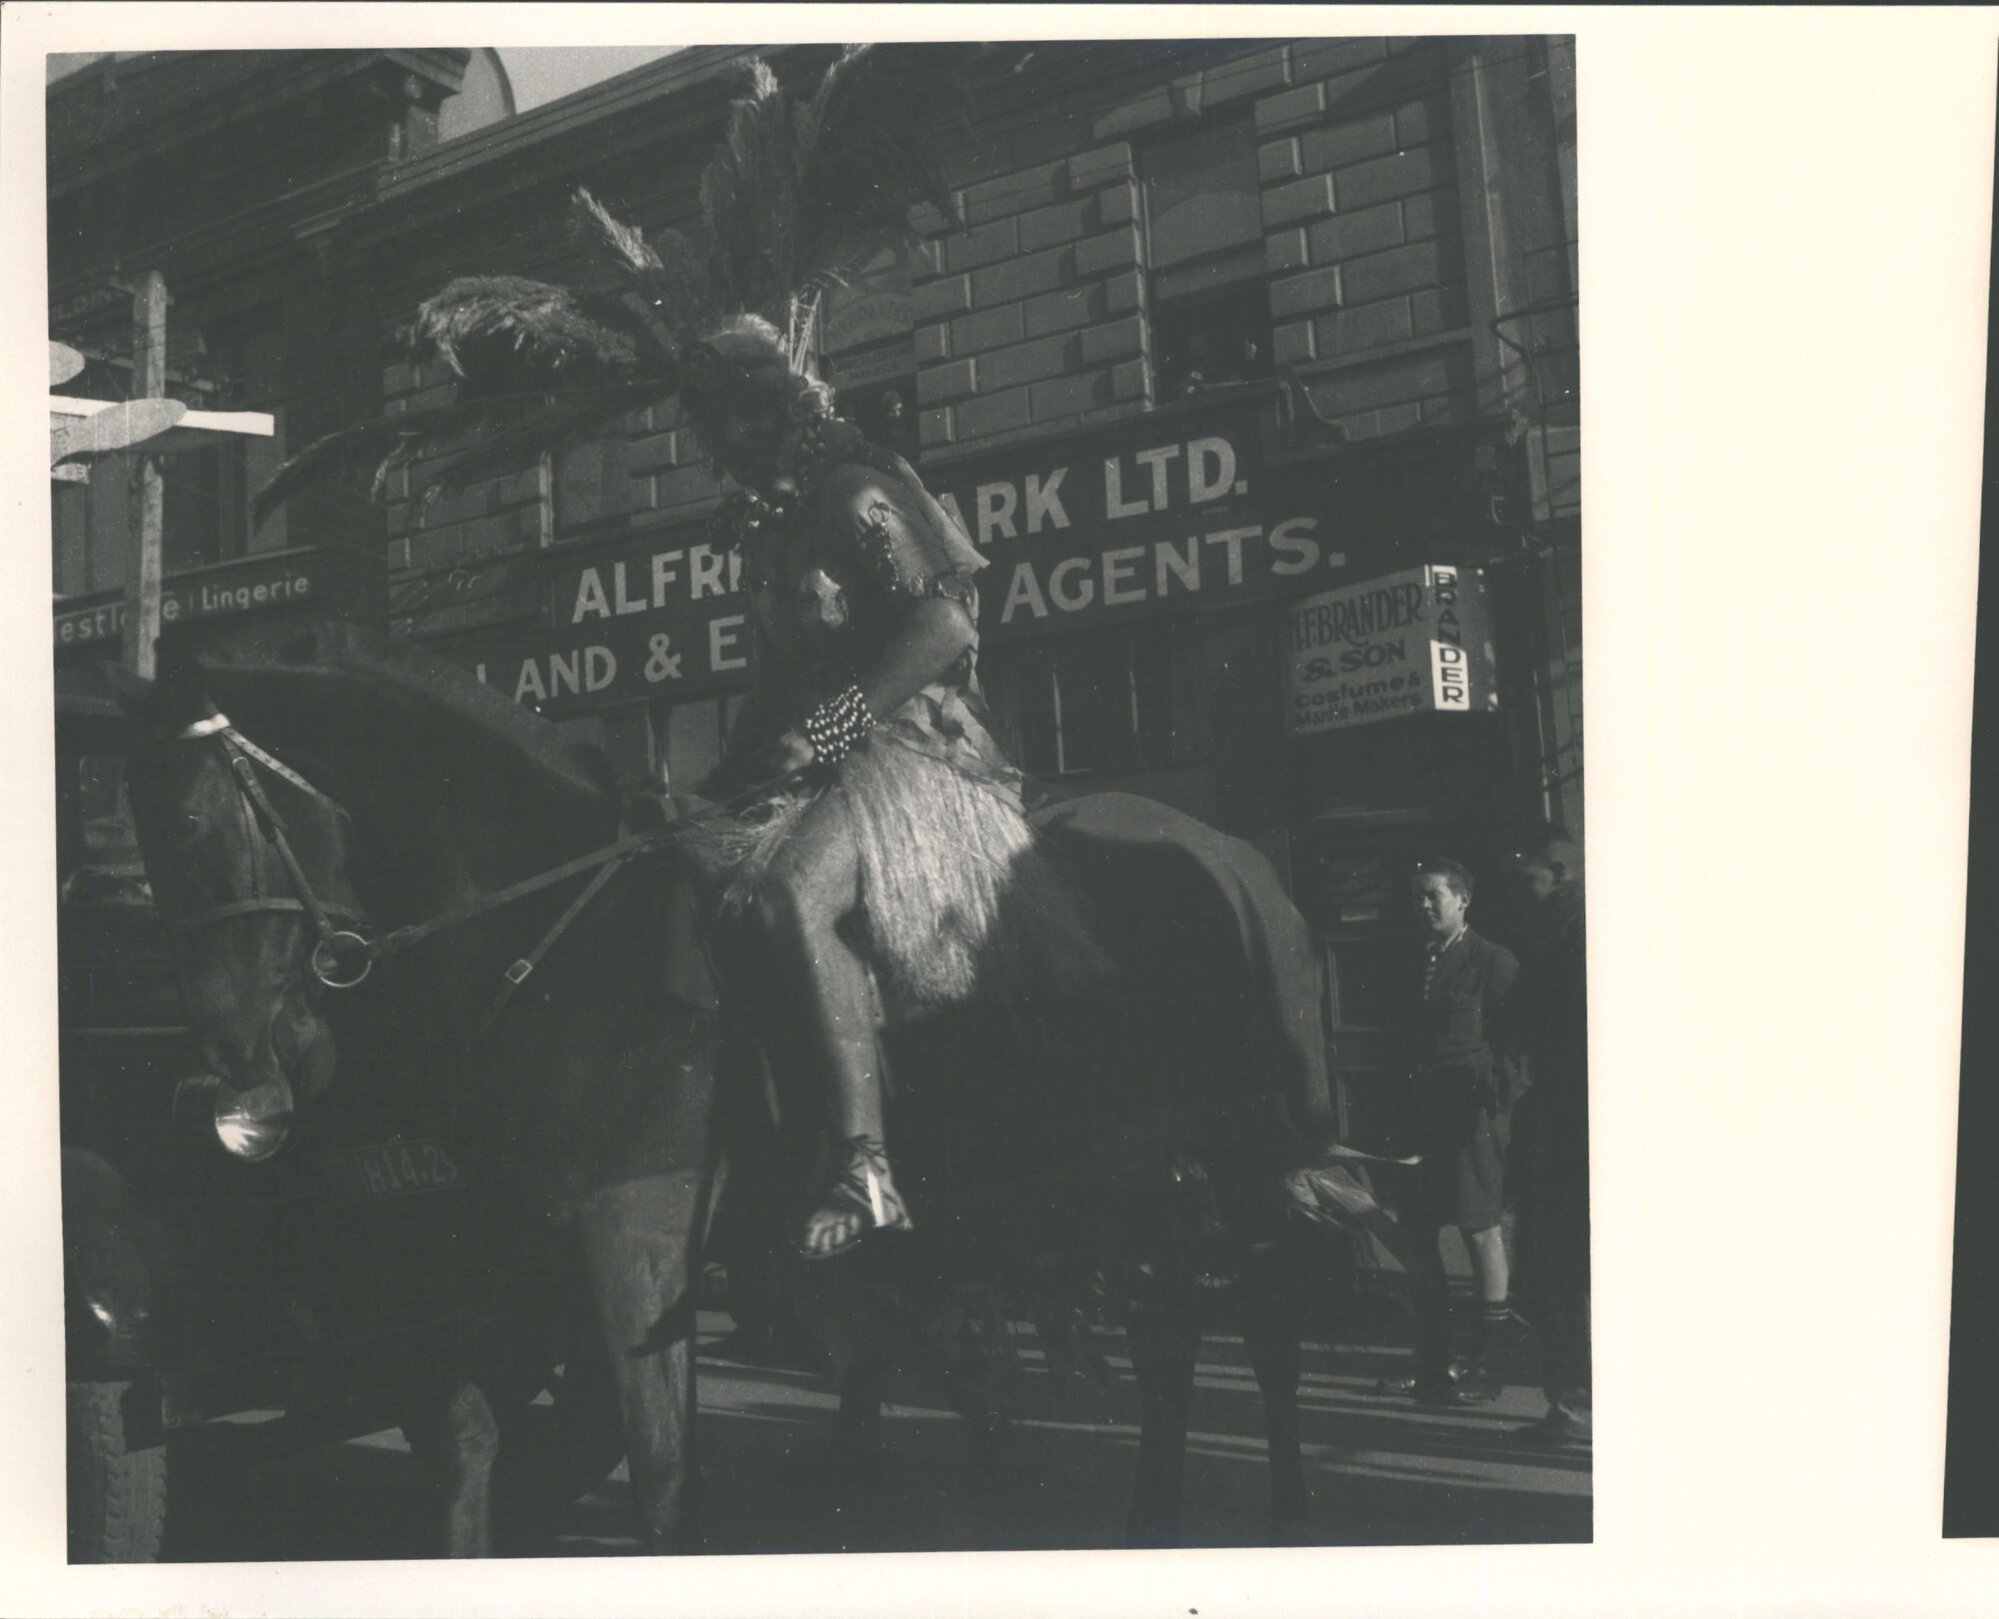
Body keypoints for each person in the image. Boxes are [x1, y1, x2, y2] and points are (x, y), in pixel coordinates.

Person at [680, 315, 1092, 1262]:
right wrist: (707, 790)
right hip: (827, 766)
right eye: (713, 429)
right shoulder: (771, 536)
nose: (728, 446)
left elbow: (944, 626)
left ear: (782, 412)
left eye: (742, 419)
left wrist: (826, 728)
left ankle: (865, 1164)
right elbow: (771, 691)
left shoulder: (856, 494)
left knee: (795, 891)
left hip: (920, 756)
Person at [1386, 856, 1524, 1405]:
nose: (1422, 906)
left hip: (1473, 1117)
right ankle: (1433, 1364)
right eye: (1416, 897)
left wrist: (1495, 1097)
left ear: (1462, 900)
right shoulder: (1415, 961)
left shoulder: (1491, 961)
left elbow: (1522, 1044)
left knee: (1479, 1230)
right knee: (1418, 1231)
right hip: (1424, 1116)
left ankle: (1487, 1366)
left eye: (1432, 896)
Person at [1499, 828, 1591, 1447]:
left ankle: (1574, 1404)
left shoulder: (1569, 933)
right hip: (1569, 1118)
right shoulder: (1564, 927)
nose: (1520, 889)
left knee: (1564, 1266)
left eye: (1528, 877)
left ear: (1557, 873)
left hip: (1568, 1122)